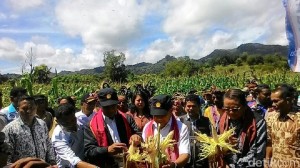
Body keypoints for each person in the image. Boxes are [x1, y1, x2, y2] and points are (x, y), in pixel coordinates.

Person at [84, 88, 141, 168]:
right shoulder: (91, 126)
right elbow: (89, 151)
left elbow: (138, 133)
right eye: (107, 107)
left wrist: (136, 136)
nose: (111, 110)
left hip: (129, 162)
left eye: (113, 106)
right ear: (100, 105)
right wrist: (107, 149)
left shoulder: (127, 118)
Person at [217, 89, 267, 168]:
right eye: (226, 109)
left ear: (244, 106)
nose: (230, 112)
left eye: (235, 109)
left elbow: (257, 152)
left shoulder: (257, 122)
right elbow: (217, 141)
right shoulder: (223, 119)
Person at [1, 95, 56, 165]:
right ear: (18, 109)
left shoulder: (42, 124)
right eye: (24, 108)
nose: (29, 111)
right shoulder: (10, 129)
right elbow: (7, 159)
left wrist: (52, 163)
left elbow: (48, 145)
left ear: (36, 108)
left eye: (31, 108)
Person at [143, 94, 190, 168]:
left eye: (162, 115)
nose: (159, 119)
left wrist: (174, 165)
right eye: (156, 115)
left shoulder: (182, 128)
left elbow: (185, 154)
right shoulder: (147, 127)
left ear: (171, 111)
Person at [52, 103, 97, 168]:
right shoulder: (58, 137)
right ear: (58, 122)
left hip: (86, 161)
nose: (71, 124)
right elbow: (73, 160)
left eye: (73, 120)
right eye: (66, 123)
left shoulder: (82, 119)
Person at [266, 86, 300, 168]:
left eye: (276, 101)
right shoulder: (271, 117)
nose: (273, 104)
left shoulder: (298, 119)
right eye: (272, 101)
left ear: (287, 100)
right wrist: (267, 161)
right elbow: (269, 142)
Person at [179, 94, 210, 168]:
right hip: (185, 162)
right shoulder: (180, 121)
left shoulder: (206, 121)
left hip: (202, 162)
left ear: (199, 106)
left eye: (194, 106)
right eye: (188, 106)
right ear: (185, 107)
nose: (191, 108)